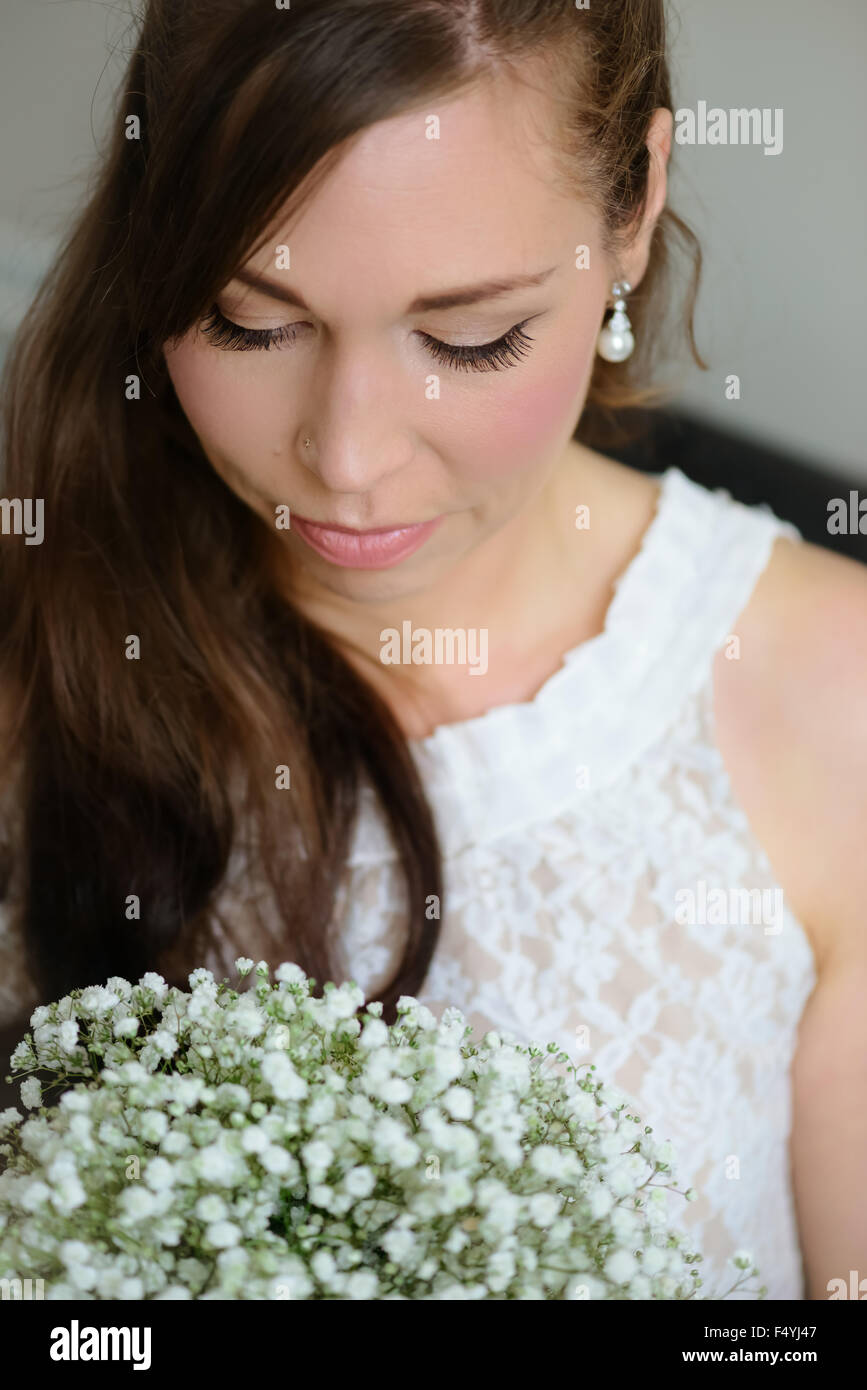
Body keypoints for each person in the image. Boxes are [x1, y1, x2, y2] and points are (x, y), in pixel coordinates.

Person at [1, 0, 865, 1302]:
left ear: (632, 211)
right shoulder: (42, 628)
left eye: (469, 337)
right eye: (249, 320)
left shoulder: (831, 697)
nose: (346, 460)